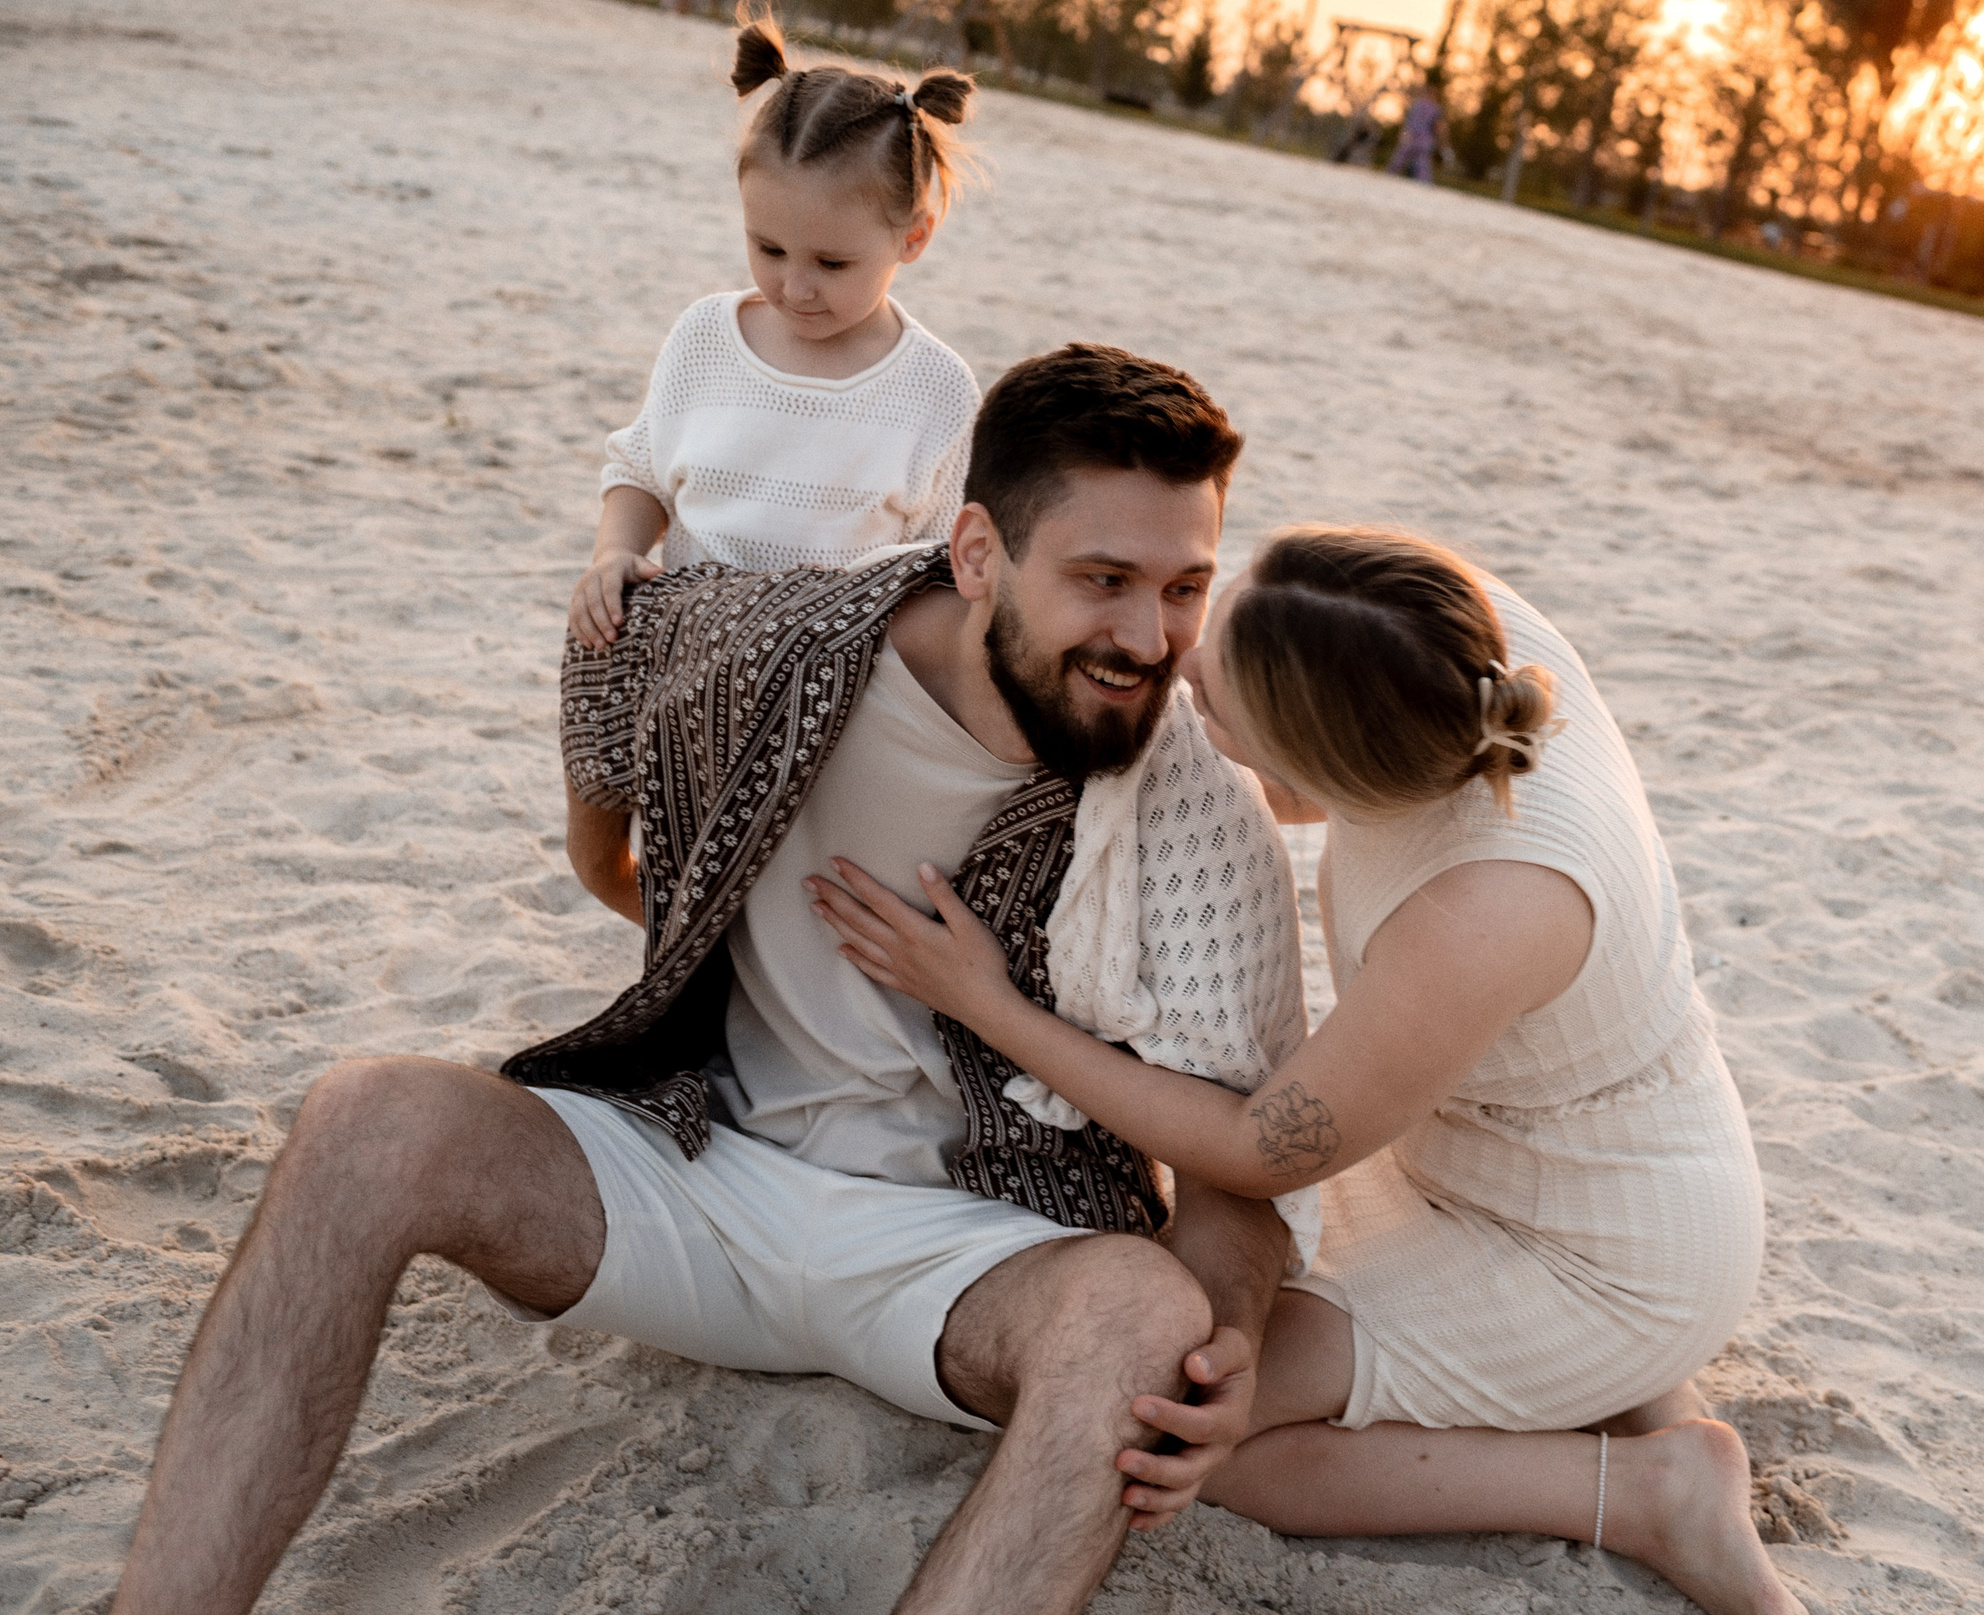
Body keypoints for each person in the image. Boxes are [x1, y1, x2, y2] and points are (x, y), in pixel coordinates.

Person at [110, 348, 1315, 1615]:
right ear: (975, 554)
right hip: (700, 1169)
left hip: (971, 1253)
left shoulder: (1201, 819)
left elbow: (1238, 1162)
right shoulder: (790, 644)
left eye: (1184, 586)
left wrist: (1224, 1332)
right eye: (1102, 580)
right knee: (367, 1120)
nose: (1147, 638)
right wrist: (605, 865)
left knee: (1139, 1313)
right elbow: (612, 660)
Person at [814, 525, 1803, 1615]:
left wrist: (986, 1003)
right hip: (1464, 1148)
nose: (1185, 672)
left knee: (1178, 1431)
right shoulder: (1439, 630)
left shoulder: (1485, 912)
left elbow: (1251, 1143)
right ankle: (1624, 1393)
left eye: (1223, 703)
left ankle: (1648, 1487)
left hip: (1589, 1249)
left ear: (1310, 768)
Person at [568, 16, 982, 653]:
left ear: (913, 237)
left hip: (837, 691)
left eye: (832, 263)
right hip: (682, 661)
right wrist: (614, 553)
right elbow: (642, 472)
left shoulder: (936, 389)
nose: (794, 287)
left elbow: (943, 573)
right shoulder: (705, 336)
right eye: (769, 248)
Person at [1386, 83, 1444, 183]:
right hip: (1425, 138)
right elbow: (1438, 126)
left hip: (1411, 136)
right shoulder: (1435, 108)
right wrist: (1441, 141)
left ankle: (1388, 175)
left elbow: (1408, 122)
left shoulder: (1416, 104)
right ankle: (1424, 183)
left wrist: (1403, 134)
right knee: (1422, 162)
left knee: (1400, 157)